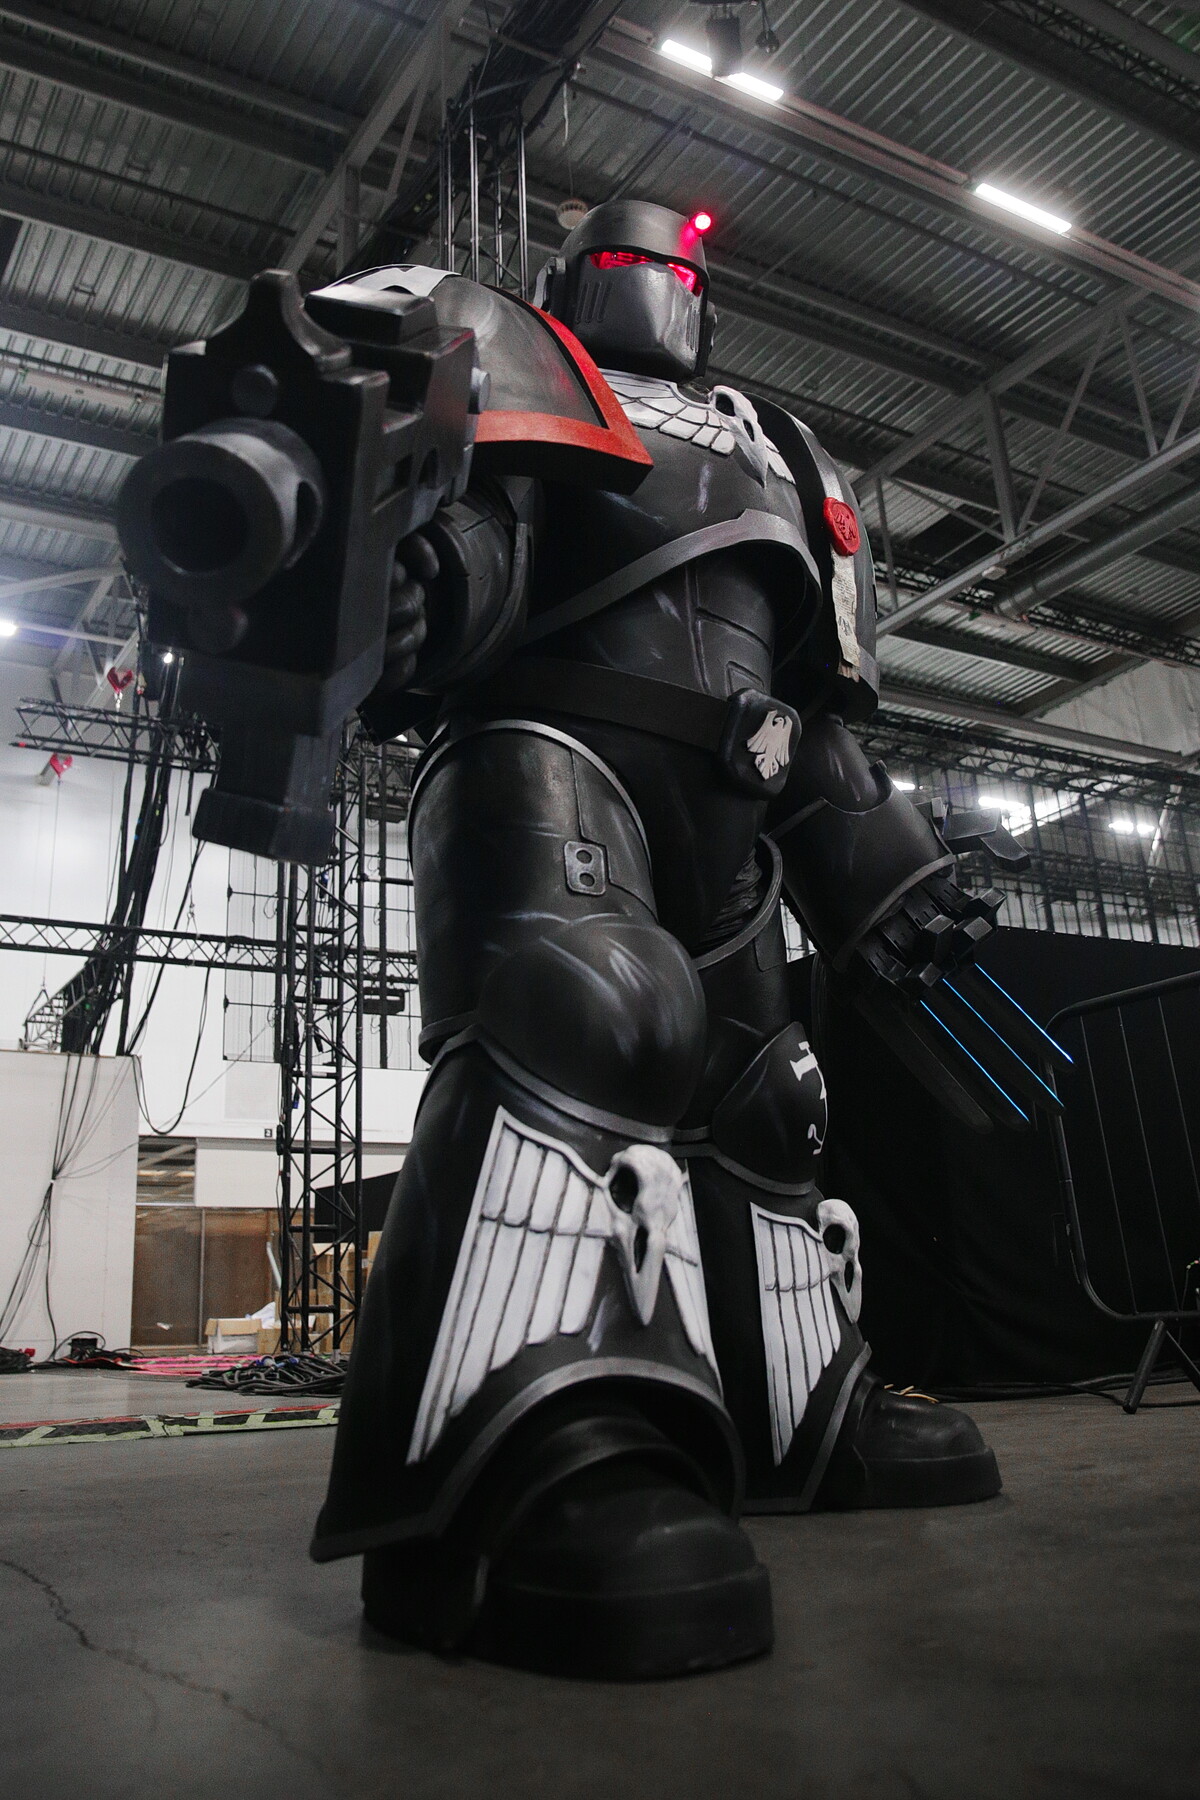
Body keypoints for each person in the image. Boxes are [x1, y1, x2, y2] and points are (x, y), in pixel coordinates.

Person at [309, 200, 1024, 1680]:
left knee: (775, 1098)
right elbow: (485, 539)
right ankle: (524, 1459)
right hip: (543, 752)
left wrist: (877, 859)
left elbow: (804, 701)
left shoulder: (783, 448)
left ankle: (797, 1410)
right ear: (571, 276)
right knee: (592, 1008)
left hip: (732, 813)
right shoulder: (510, 351)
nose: (662, 278)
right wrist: (418, 585)